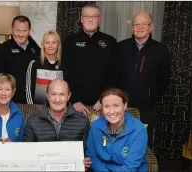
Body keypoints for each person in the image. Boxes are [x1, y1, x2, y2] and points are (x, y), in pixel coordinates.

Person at [117, 12, 170, 149]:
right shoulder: (121, 47)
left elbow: (164, 79)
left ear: (151, 27)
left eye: (143, 24)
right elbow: (113, 74)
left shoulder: (161, 50)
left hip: (146, 108)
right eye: (136, 24)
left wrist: (152, 96)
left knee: (142, 144)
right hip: (121, 106)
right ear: (132, 27)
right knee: (120, 141)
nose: (139, 27)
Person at [62, 4, 118, 116]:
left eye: (94, 16)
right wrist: (75, 100)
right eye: (87, 16)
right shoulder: (70, 41)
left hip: (102, 105)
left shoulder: (110, 42)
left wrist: (103, 99)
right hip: (75, 104)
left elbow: (114, 74)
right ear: (81, 19)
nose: (90, 19)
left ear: (99, 19)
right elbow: (66, 72)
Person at [24, 79, 92, 170]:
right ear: (47, 95)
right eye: (53, 94)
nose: (57, 99)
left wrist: (86, 163)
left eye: (62, 94)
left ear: (68, 96)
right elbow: (27, 155)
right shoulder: (32, 121)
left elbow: (88, 153)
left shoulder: (82, 121)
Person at [87, 88, 148, 171]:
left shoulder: (139, 129)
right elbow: (92, 157)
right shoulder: (95, 126)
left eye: (116, 106)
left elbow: (130, 167)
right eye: (107, 106)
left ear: (125, 106)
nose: (111, 111)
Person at [0, 15, 40, 104]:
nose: (21, 34)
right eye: (18, 30)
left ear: (29, 31)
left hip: (33, 101)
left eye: (24, 31)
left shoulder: (36, 49)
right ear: (12, 30)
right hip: (10, 101)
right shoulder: (3, 49)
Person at [26, 31, 63, 104]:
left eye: (54, 43)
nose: (50, 46)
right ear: (43, 45)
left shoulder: (64, 65)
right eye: (47, 43)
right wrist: (32, 108)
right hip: (37, 108)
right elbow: (28, 90)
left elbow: (67, 90)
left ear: (58, 45)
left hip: (59, 108)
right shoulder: (34, 64)